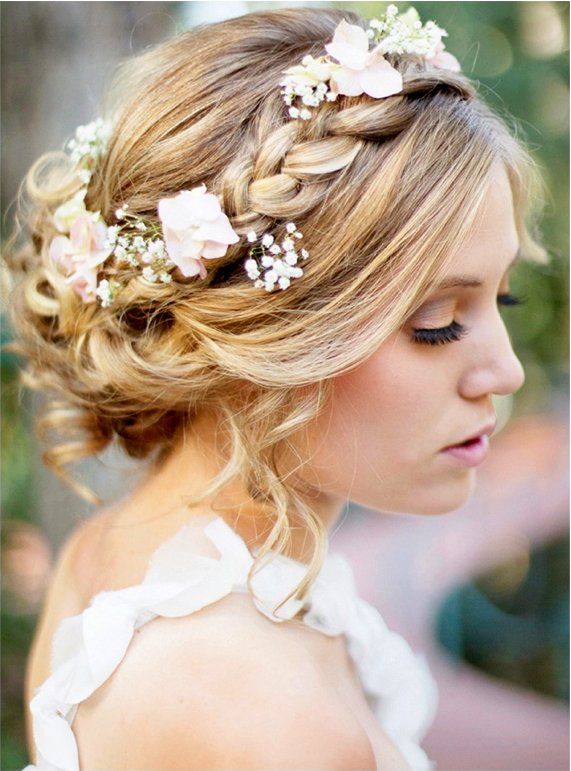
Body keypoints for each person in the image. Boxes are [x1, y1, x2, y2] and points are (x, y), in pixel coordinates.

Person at [4, 4, 549, 770]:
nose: (505, 370)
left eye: (501, 299)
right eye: (434, 320)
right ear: (267, 333)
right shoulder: (270, 713)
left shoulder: (115, 554)